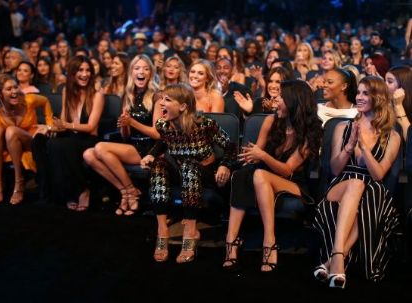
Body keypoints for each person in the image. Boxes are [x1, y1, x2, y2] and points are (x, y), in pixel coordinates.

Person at [222, 80, 322, 272]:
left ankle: (270, 240)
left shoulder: (311, 131)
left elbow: (287, 170)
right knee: (243, 174)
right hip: (265, 174)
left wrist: (262, 156)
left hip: (293, 183)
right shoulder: (271, 121)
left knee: (260, 174)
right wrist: (249, 157)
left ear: (294, 102)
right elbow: (256, 153)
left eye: (281, 98)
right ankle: (231, 241)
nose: (276, 101)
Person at [312, 76, 401, 288]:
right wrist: (350, 146)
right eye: (358, 92)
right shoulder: (343, 127)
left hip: (372, 187)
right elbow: (334, 169)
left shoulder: (392, 135)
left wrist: (365, 149)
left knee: (367, 193)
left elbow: (379, 175)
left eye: (365, 93)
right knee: (355, 183)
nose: (359, 97)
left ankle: (333, 261)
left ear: (378, 98)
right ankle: (338, 256)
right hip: (342, 183)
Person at [140, 83, 237, 263]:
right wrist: (150, 155)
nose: (161, 104)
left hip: (206, 174)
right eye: (161, 99)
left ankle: (190, 232)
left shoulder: (204, 124)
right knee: (159, 165)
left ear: (183, 106)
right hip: (181, 170)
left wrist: (225, 165)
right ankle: (163, 230)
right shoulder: (163, 125)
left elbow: (231, 146)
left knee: (189, 166)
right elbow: (163, 142)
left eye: (167, 100)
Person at [83, 54, 160, 216]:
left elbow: (157, 134)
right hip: (131, 144)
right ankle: (127, 192)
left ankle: (130, 192)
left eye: (146, 69)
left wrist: (132, 122)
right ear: (132, 72)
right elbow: (125, 136)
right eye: (137, 68)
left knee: (100, 148)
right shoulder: (128, 95)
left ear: (151, 73)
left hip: (148, 148)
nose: (141, 72)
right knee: (88, 155)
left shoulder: (156, 96)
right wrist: (125, 125)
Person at [33, 55, 104, 210]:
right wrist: (50, 127)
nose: (85, 74)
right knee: (44, 140)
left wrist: (65, 125)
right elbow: (63, 122)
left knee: (61, 145)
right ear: (72, 73)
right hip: (71, 136)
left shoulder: (97, 95)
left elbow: (91, 126)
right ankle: (52, 192)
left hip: (88, 138)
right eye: (80, 70)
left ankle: (82, 189)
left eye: (87, 70)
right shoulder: (67, 91)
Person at [0, 73, 53, 204]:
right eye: (9, 89)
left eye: (15, 87)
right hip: (11, 141)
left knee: (11, 131)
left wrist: (49, 125)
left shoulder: (29, 100)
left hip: (31, 140)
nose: (14, 92)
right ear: (0, 93)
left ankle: (19, 181)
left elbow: (45, 101)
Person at [384, 65, 412, 141]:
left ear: (403, 86)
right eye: (384, 81)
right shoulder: (386, 105)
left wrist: (398, 106)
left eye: (390, 81)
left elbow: (409, 141)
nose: (384, 85)